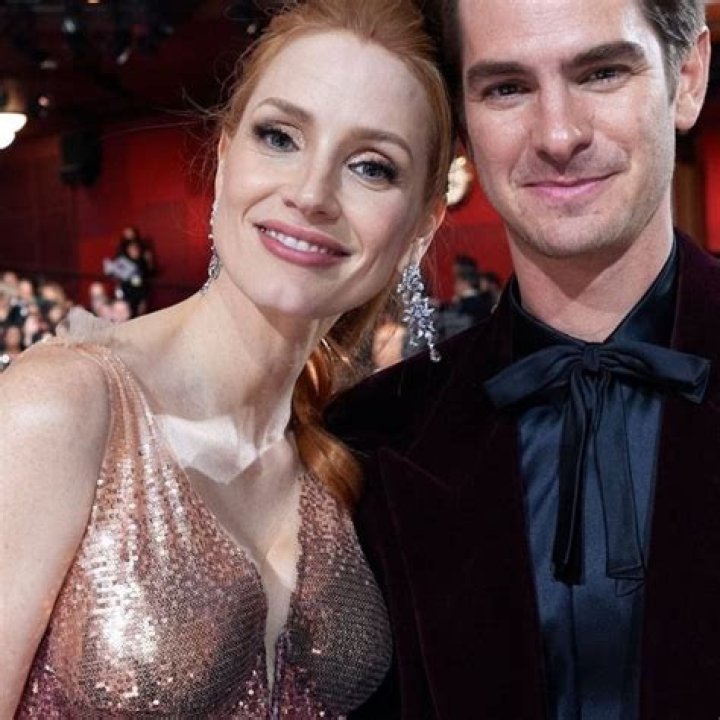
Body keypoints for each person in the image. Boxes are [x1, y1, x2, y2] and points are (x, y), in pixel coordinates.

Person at [0, 0, 452, 715]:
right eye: (279, 136)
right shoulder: (62, 407)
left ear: (421, 228)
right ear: (223, 158)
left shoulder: (341, 467)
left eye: (371, 166)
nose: (311, 193)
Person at [331, 1, 718, 718]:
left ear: (687, 77)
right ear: (462, 120)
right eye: (507, 88)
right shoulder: (371, 440)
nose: (559, 135)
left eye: (601, 73)